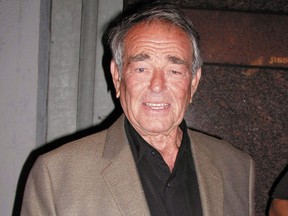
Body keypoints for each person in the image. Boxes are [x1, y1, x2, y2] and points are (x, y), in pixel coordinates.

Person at [21, 2, 255, 216]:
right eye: (141, 69)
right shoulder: (57, 175)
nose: (157, 85)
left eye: (174, 71)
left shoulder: (236, 168)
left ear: (193, 82)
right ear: (117, 77)